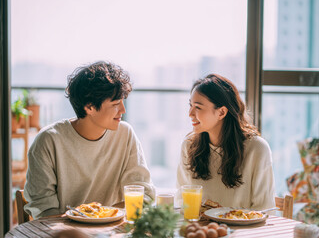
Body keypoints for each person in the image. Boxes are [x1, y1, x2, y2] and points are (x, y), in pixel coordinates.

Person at [24, 61, 155, 219]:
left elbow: (143, 194)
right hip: (65, 233)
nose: (123, 110)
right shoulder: (48, 141)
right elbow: (44, 211)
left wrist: (103, 217)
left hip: (113, 231)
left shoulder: (125, 134)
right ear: (89, 107)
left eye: (123, 102)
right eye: (115, 104)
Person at [177, 74, 275, 210]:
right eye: (190, 105)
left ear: (222, 112)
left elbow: (264, 209)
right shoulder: (189, 145)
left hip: (243, 230)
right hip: (200, 228)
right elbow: (182, 200)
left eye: (198, 107)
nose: (190, 113)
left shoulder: (257, 148)